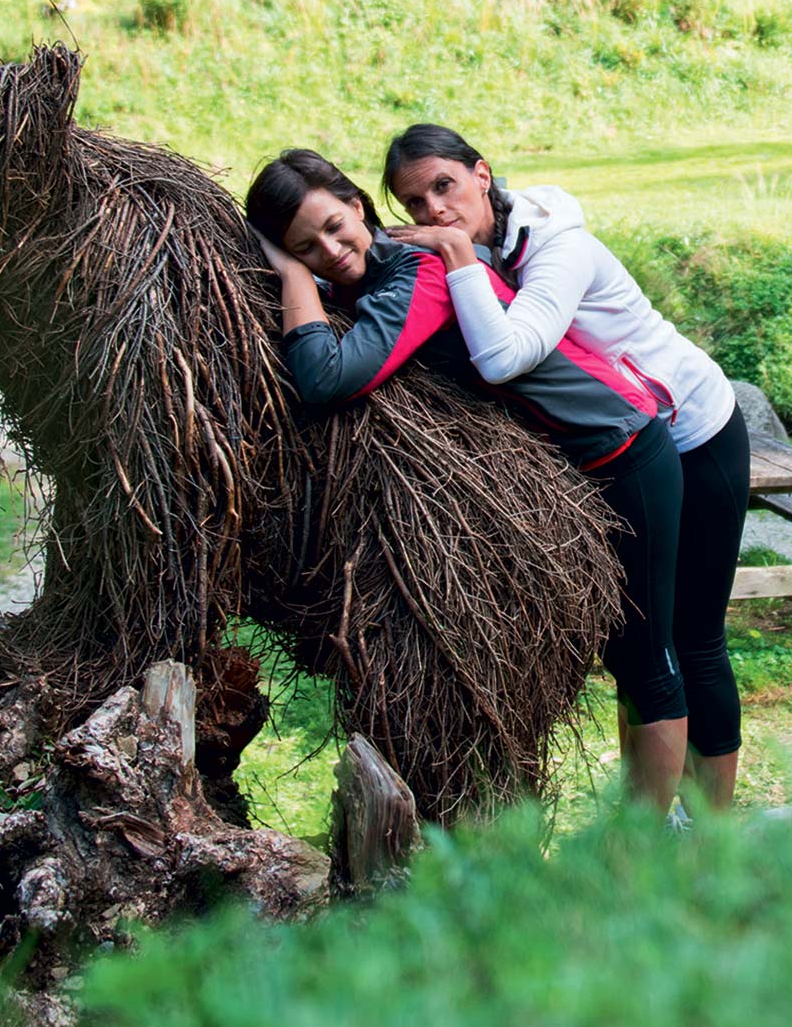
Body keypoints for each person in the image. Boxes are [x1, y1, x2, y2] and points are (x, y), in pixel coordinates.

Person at [245, 148, 694, 810]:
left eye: (336, 226)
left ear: (360, 206)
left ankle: (649, 844)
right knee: (622, 654)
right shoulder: (369, 277)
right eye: (304, 246)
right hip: (571, 466)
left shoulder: (420, 274)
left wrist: (290, 275)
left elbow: (325, 378)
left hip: (621, 451)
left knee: (643, 655)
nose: (332, 250)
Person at [379, 124, 753, 811]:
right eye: (415, 202)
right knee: (640, 642)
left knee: (692, 638)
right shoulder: (482, 249)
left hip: (695, 432)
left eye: (445, 186)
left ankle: (713, 825)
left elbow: (505, 354)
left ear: (482, 174)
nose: (433, 210)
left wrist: (458, 256)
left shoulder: (559, 247)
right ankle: (659, 815)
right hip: (633, 447)